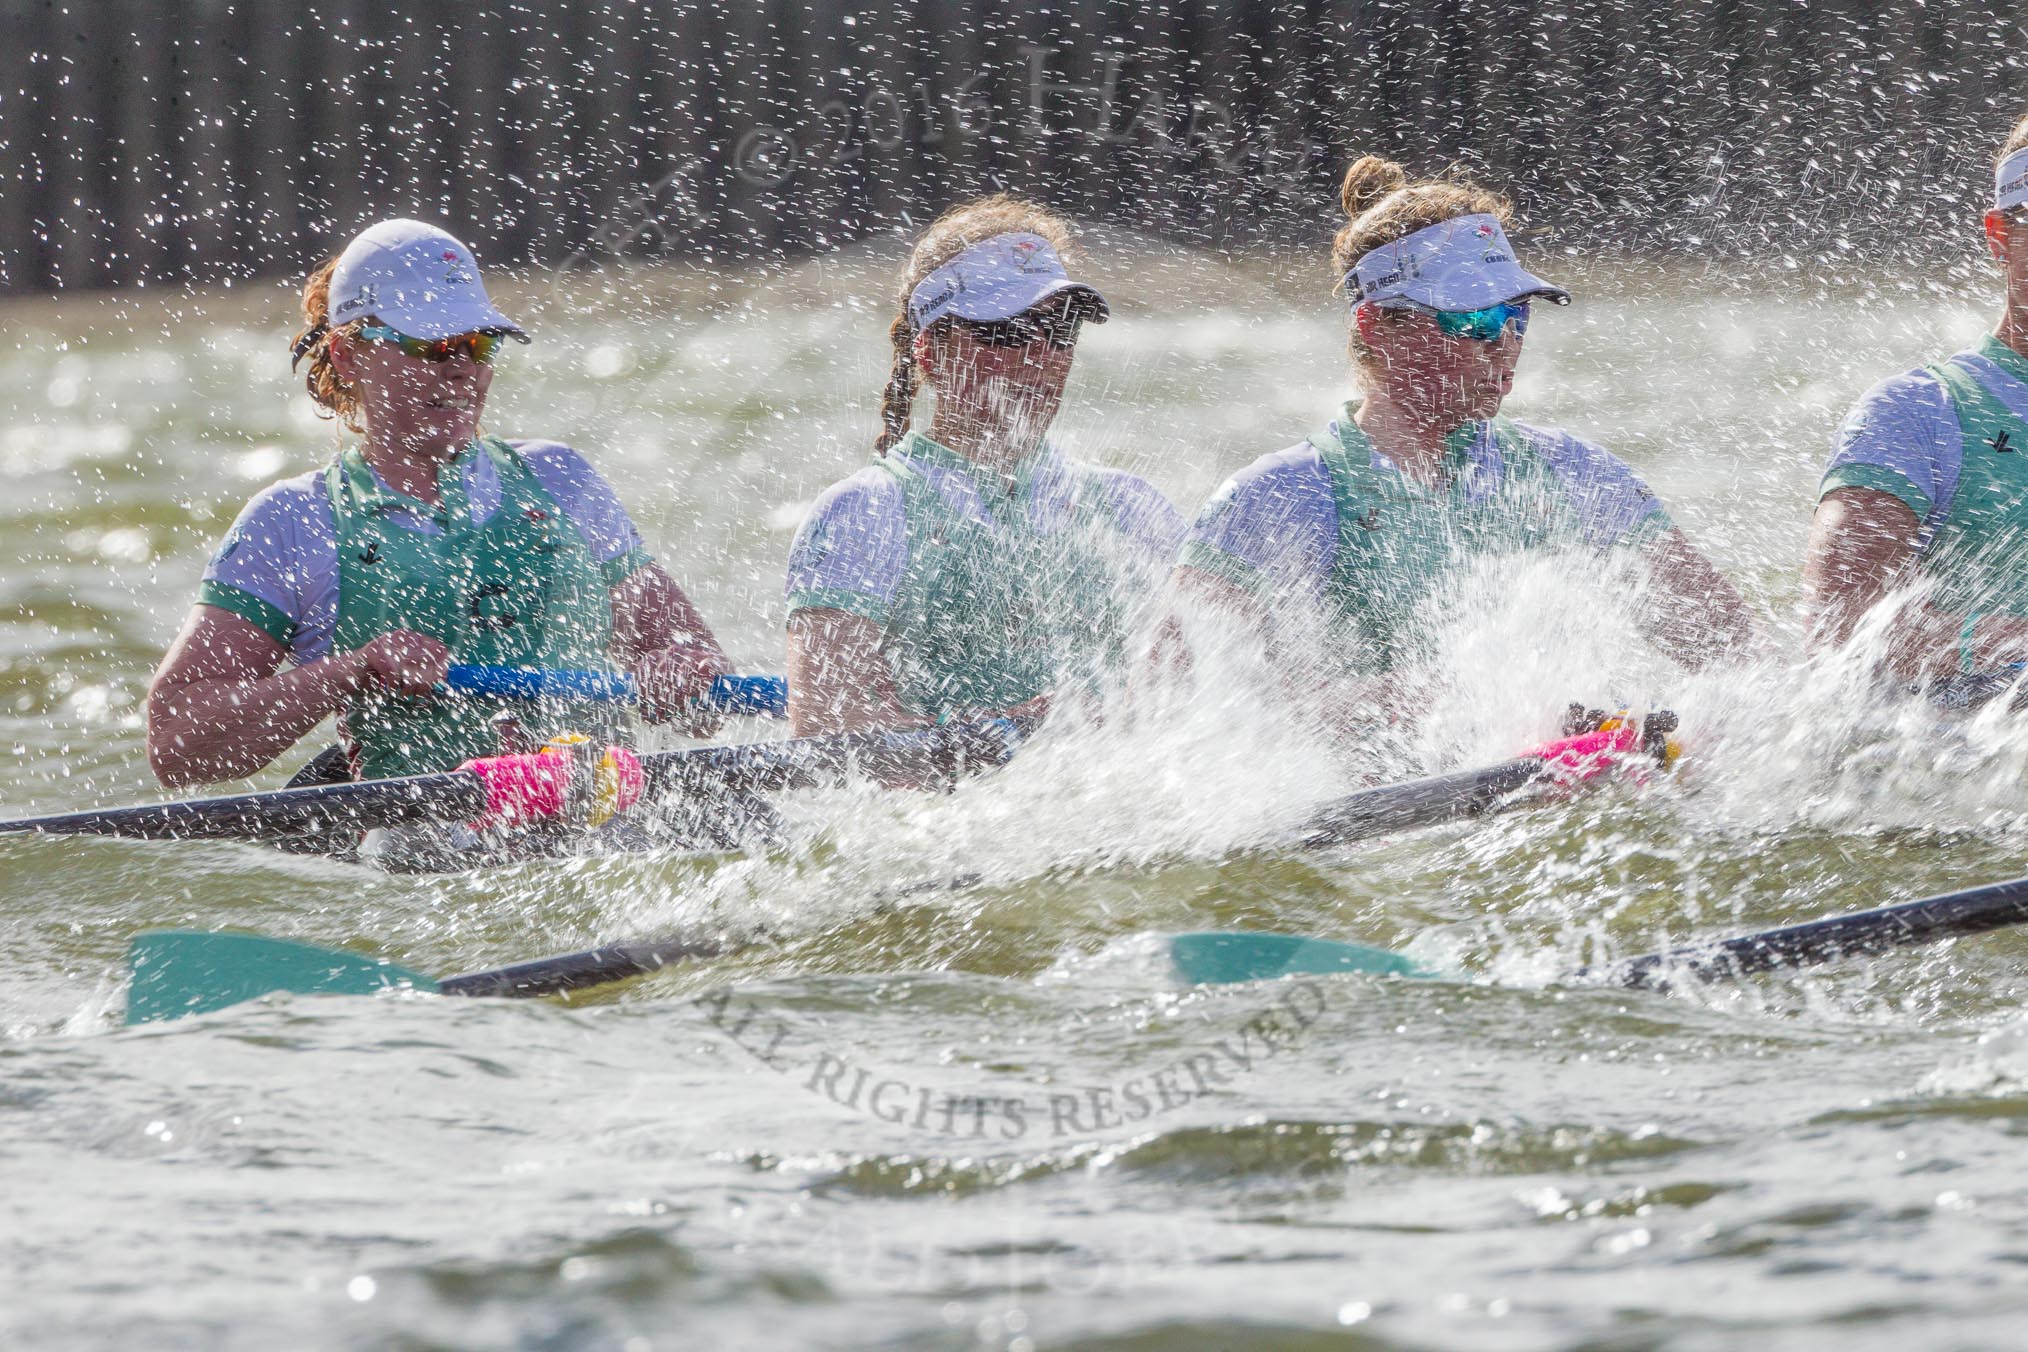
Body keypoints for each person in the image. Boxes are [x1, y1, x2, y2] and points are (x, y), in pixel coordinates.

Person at [147, 219, 734, 793]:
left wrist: (682, 672)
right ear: (348, 356)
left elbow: (703, 684)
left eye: (479, 344)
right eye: (430, 345)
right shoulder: (294, 521)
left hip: (597, 829)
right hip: (422, 857)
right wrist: (351, 672)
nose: (461, 368)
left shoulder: (560, 479)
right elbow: (175, 744)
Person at [1171, 157, 1752, 727]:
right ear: (1379, 327)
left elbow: (1734, 654)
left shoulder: (1574, 470)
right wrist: (1425, 702)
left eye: (1516, 315)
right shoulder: (1276, 497)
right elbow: (1183, 721)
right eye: (1472, 322)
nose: (1503, 342)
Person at [783, 195, 1183, 738]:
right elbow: (830, 733)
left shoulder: (1135, 508)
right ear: (931, 354)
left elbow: (1197, 701)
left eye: (1060, 329)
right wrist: (998, 734)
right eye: (1006, 331)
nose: (1040, 352)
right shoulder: (863, 514)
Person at [1805, 112, 2028, 685]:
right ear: (2000, 238)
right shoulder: (1916, 411)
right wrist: (1996, 646)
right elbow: (1840, 631)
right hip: (1954, 755)